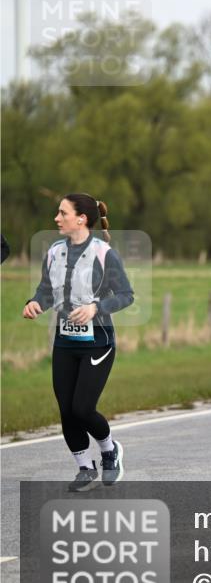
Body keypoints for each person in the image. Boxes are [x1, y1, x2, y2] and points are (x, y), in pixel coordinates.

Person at [22, 193, 133, 491]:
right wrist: (35, 303)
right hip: (65, 342)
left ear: (81, 218)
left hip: (98, 341)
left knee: (83, 409)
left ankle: (110, 450)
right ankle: (85, 468)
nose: (56, 219)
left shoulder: (103, 253)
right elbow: (46, 290)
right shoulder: (54, 251)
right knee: (67, 410)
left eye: (62, 213)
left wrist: (97, 307)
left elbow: (126, 294)